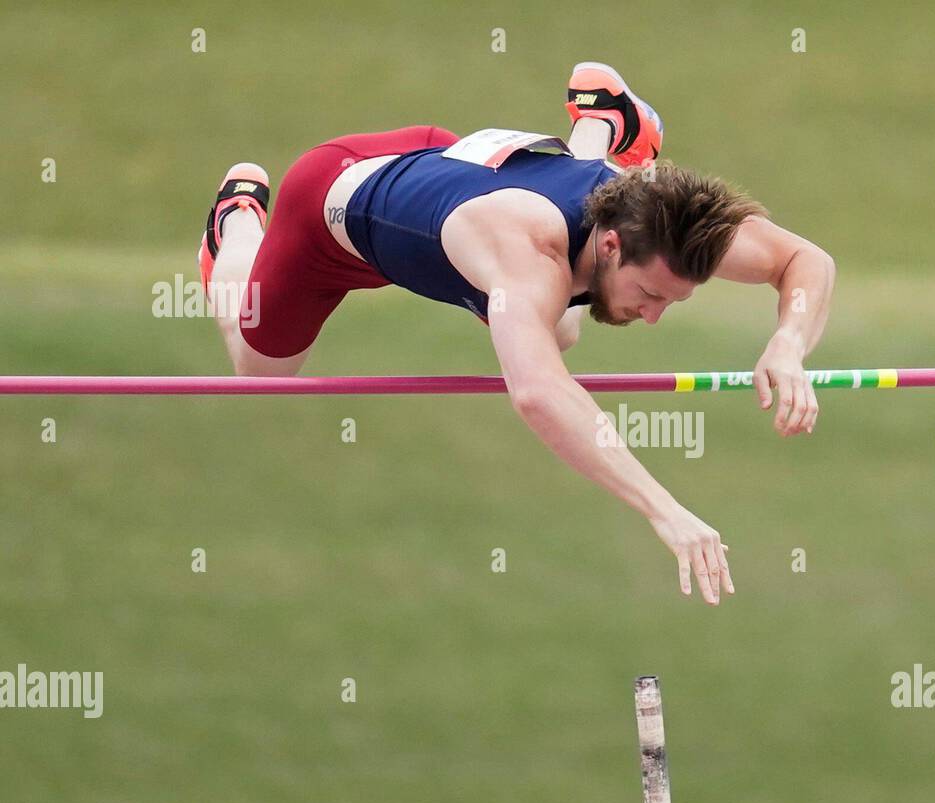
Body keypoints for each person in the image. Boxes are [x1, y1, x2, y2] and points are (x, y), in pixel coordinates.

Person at [196, 62, 836, 606]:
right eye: (648, 295)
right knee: (260, 374)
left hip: (454, 169)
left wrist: (788, 341)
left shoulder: (655, 220)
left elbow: (805, 263)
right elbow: (537, 394)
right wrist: (664, 510)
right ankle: (239, 221)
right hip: (328, 211)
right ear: (611, 244)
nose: (653, 317)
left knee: (557, 327)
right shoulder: (526, 255)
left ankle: (607, 125)